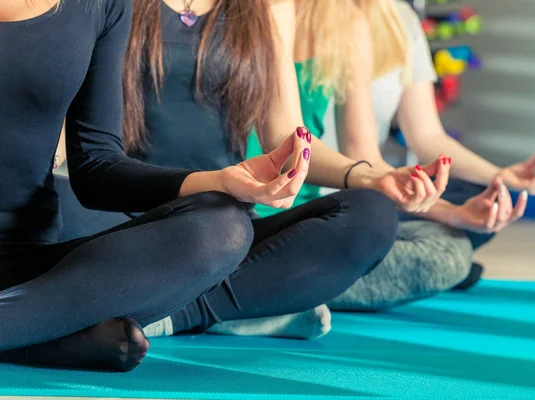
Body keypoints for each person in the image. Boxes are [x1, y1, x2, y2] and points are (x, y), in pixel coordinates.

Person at [0, 0, 398, 373]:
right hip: (106, 216)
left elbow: (287, 136)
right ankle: (65, 322)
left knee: (363, 216)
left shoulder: (263, 7)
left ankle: (155, 313)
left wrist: (365, 177)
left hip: (201, 220)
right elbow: (75, 147)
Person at [246, 0, 534, 315]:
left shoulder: (349, 23)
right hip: (242, 211)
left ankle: (282, 285)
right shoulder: (246, 12)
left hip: (307, 215)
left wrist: (454, 213)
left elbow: (366, 156)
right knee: (439, 252)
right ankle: (285, 287)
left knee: (434, 243)